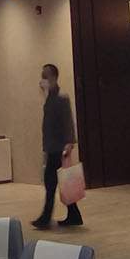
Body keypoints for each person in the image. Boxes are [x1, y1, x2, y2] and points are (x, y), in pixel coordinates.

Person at [30, 63, 82, 230]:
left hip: (59, 148)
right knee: (60, 182)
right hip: (52, 146)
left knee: (51, 181)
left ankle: (46, 218)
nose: (42, 79)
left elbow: (68, 121)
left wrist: (69, 143)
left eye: (45, 76)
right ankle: (73, 214)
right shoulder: (50, 97)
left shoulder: (61, 97)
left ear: (53, 77)